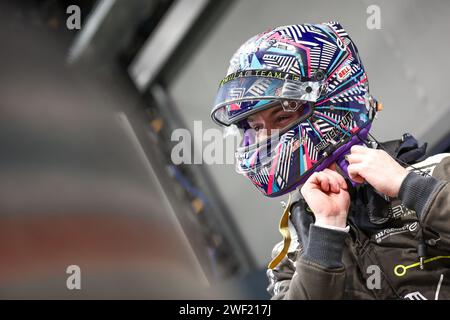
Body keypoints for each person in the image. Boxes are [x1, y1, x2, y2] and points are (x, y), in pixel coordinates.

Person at [211, 22, 450, 299]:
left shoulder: (438, 174)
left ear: (331, 98)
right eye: (256, 127)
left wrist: (410, 187)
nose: (266, 137)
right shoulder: (290, 259)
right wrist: (326, 233)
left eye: (282, 117)